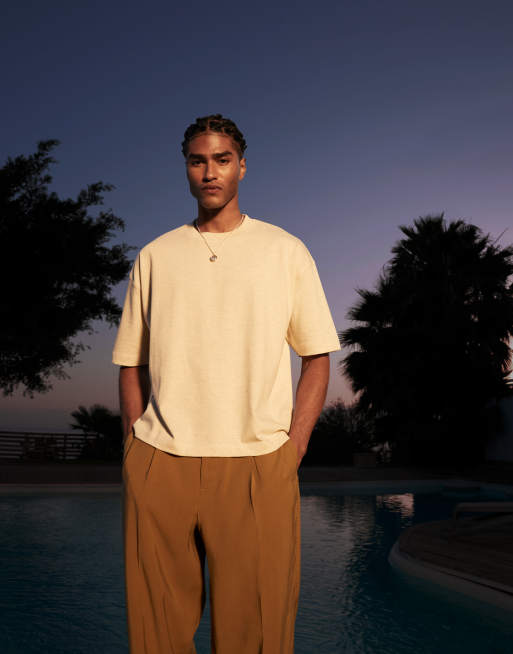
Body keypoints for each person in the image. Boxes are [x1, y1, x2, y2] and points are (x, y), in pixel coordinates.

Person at [112, 113, 341, 653]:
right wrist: (134, 449)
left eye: (222, 159)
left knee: (256, 634)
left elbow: (316, 356)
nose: (210, 172)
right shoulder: (155, 256)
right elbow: (130, 364)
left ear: (242, 167)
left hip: (257, 463)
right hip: (161, 461)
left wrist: (293, 447)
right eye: (198, 161)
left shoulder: (285, 251)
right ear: (186, 169)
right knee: (155, 634)